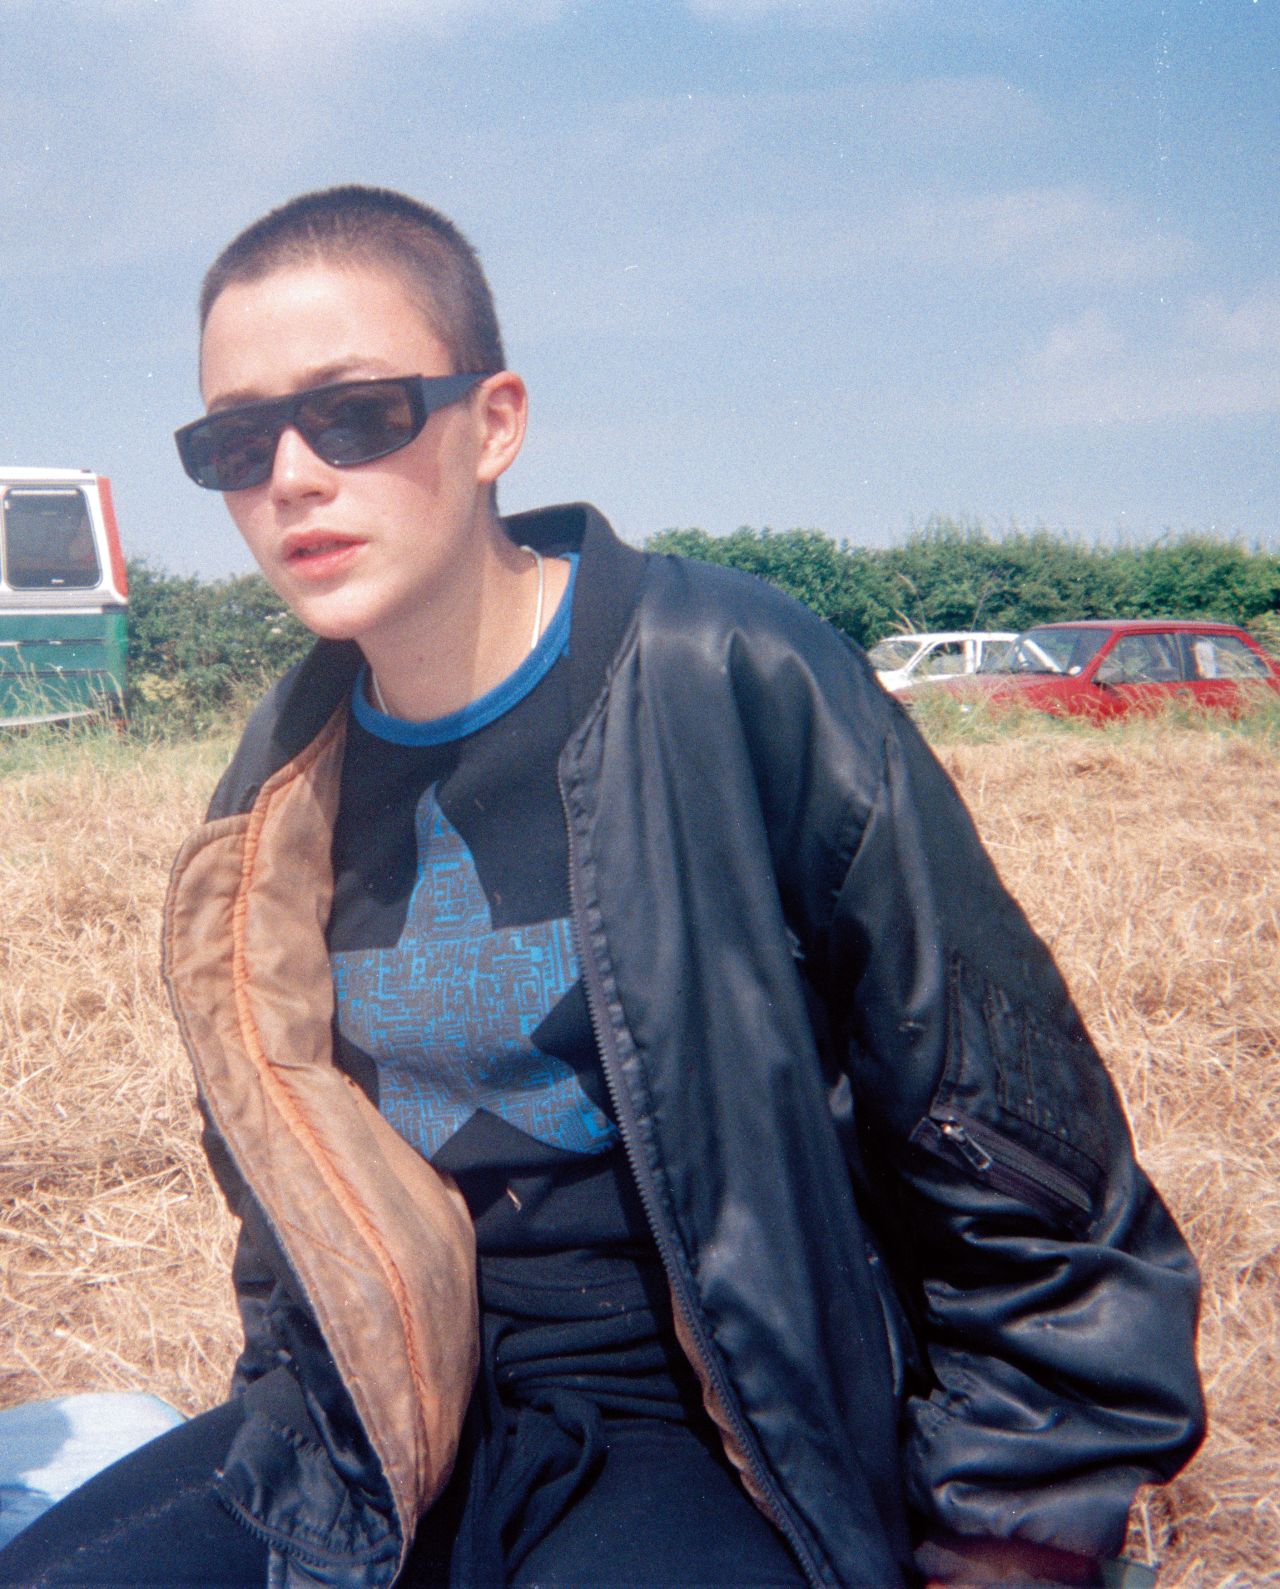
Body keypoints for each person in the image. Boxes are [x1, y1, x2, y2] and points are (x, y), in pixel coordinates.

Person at [0, 186, 1203, 1589]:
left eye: (356, 415)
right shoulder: (275, 788)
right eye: (233, 439)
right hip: (386, 1410)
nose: (292, 475)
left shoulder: (733, 676)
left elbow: (1009, 1133)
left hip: (702, 1415)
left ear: (495, 420)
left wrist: (1018, 1530)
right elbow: (284, 1195)